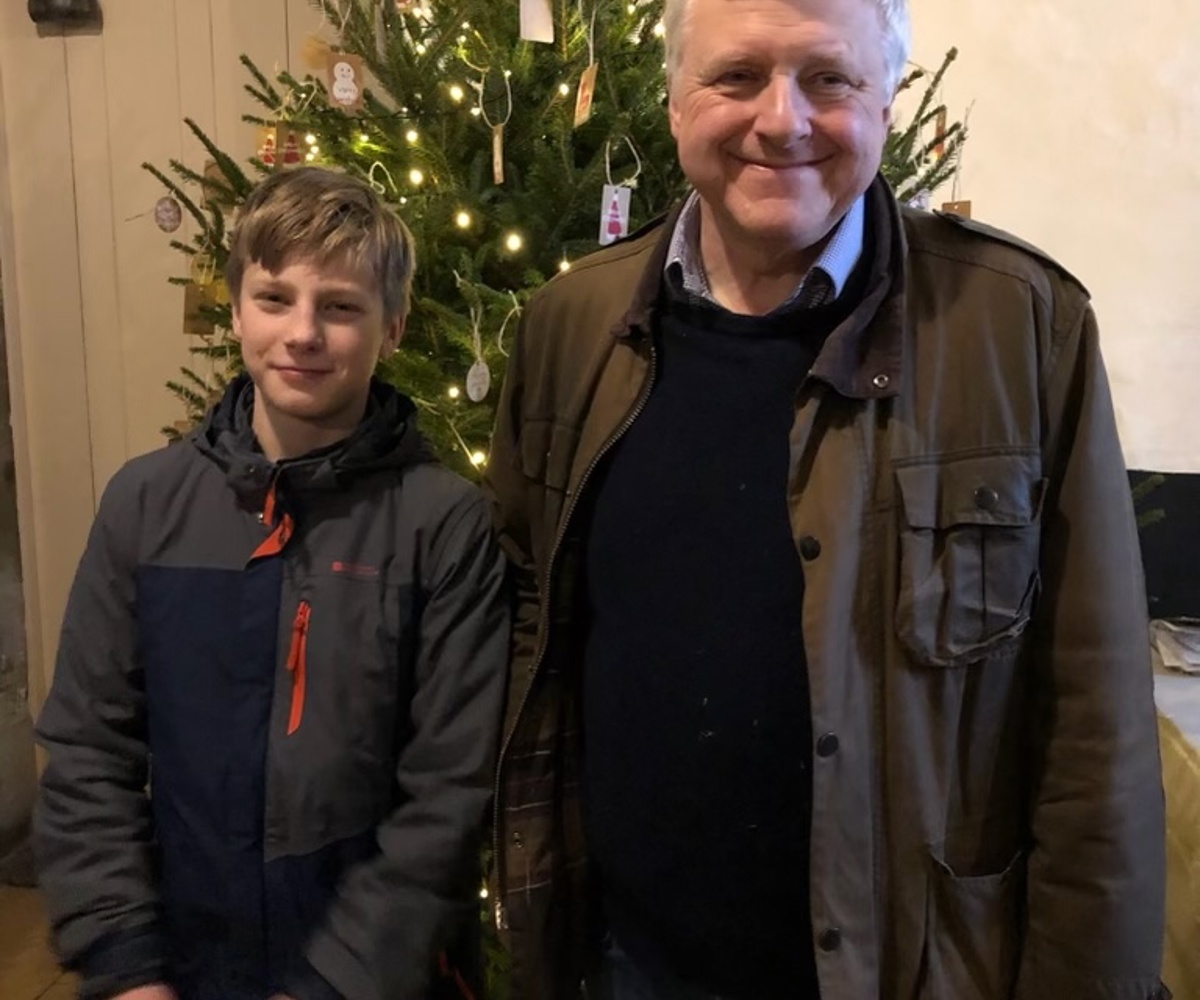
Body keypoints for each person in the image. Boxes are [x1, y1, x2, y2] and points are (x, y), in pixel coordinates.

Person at [485, 0, 1169, 997]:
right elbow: (528, 629)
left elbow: (1095, 732)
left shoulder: (1020, 327)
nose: (781, 120)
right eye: (736, 76)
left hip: (915, 968)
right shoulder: (569, 325)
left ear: (885, 104)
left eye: (828, 79)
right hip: (630, 962)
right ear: (674, 101)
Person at [35, 166, 509, 1000]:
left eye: (341, 306)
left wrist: (337, 982)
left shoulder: (444, 524)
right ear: (235, 309)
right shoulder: (144, 504)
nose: (303, 333)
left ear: (393, 326)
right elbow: (87, 749)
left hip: (367, 975)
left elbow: (449, 794)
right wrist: (123, 960)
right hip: (177, 965)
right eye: (274, 298)